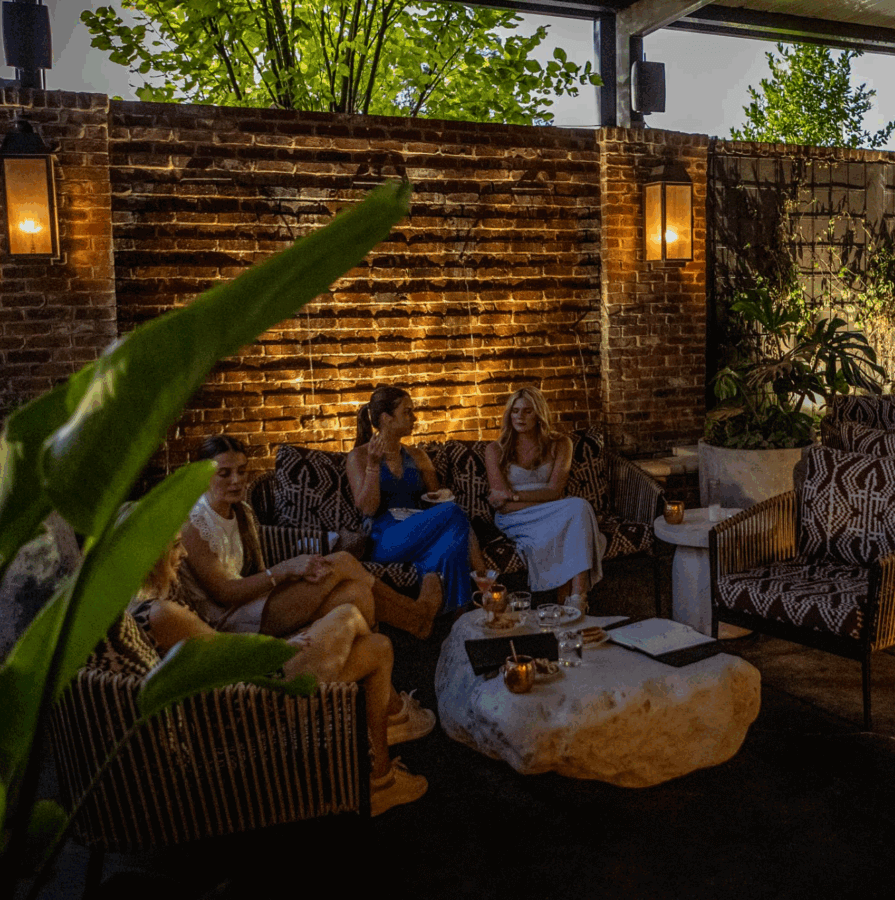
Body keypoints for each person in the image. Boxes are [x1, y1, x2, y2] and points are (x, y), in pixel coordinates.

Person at [130, 525, 431, 817]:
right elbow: (229, 655)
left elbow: (221, 654)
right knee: (349, 615)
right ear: (151, 557)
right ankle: (387, 736)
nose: (183, 554)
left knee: (377, 648)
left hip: (232, 691)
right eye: (175, 546)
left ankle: (381, 778)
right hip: (247, 705)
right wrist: (286, 646)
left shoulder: (138, 607)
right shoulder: (162, 614)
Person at [181, 435, 377, 638]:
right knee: (342, 561)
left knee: (356, 594)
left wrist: (294, 577)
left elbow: (258, 570)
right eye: (224, 474)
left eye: (241, 471)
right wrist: (286, 570)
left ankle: (371, 653)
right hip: (225, 620)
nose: (237, 480)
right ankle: (412, 620)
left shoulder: (242, 511)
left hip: (253, 602)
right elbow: (225, 593)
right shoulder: (194, 523)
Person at [347, 385, 485, 614]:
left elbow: (437, 499)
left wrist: (440, 495)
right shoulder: (359, 457)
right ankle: (486, 585)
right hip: (385, 538)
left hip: (420, 530)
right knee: (453, 512)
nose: (415, 417)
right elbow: (368, 509)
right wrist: (373, 466)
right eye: (407, 412)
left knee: (450, 548)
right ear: (386, 418)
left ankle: (452, 624)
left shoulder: (417, 456)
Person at [485, 386, 605, 613]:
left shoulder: (561, 444)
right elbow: (503, 504)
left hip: (553, 508)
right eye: (515, 411)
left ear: (539, 414)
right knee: (576, 512)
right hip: (516, 517)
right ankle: (574, 601)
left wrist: (515, 495)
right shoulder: (495, 449)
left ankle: (577, 598)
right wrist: (516, 499)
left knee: (579, 507)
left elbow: (555, 491)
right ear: (509, 414)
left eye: (528, 411)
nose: (520, 417)